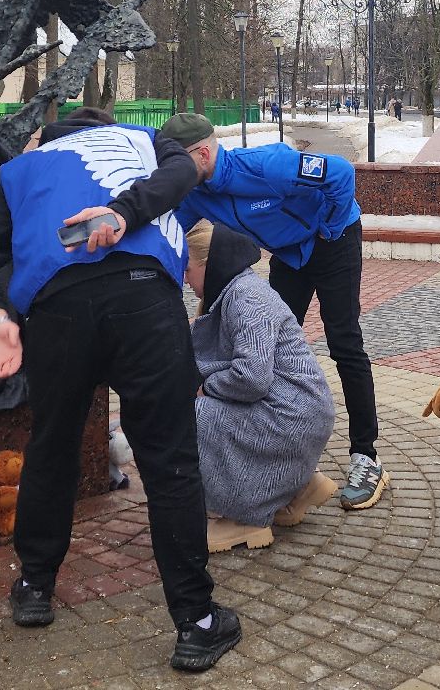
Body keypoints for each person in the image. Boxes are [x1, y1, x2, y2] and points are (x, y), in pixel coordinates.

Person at [0, 106, 242, 672]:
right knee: (168, 460)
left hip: (56, 310)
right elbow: (185, 173)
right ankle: (196, 621)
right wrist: (124, 210)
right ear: (106, 127)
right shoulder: (141, 139)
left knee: (52, 445)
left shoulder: (18, 169)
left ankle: (35, 586)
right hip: (144, 300)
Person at [158, 111, 389, 511]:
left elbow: (341, 175)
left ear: (202, 153)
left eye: (175, 164)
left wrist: (330, 228)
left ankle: (366, 457)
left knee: (344, 341)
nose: (172, 174)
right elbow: (166, 230)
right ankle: (282, 460)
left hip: (333, 243)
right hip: (290, 257)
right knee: (270, 347)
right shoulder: (196, 194)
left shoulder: (268, 165)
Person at [184, 221, 337, 553]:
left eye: (188, 268)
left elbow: (252, 377)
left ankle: (245, 516)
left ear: (209, 266)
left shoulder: (245, 297)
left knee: (194, 415)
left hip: (293, 417)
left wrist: (206, 388)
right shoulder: (238, 291)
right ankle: (297, 485)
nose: (185, 278)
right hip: (298, 410)